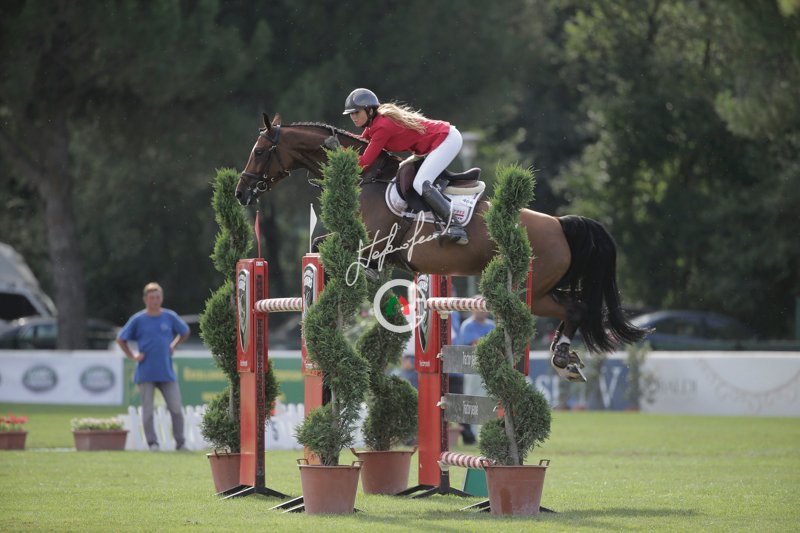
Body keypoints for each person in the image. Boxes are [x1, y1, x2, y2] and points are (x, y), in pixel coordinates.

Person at [343, 87, 469, 244]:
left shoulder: (382, 126)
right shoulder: (373, 125)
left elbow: (363, 163)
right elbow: (359, 142)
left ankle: (456, 226)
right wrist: (338, 141)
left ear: (369, 110)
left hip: (446, 139)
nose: (353, 117)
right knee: (406, 172)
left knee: (420, 183)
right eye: (351, 114)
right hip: (432, 145)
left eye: (356, 112)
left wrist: (340, 150)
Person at [117, 282, 190, 451]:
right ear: (145, 299)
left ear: (161, 298)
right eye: (152, 298)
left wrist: (174, 345)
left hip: (166, 371)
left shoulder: (169, 316)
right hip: (146, 372)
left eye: (157, 297)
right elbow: (121, 339)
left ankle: (180, 443)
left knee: (176, 408)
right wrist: (132, 356)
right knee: (148, 411)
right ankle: (153, 443)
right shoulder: (138, 319)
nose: (155, 301)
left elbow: (185, 331)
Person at [456, 304, 496, 445]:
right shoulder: (468, 325)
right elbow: (475, 344)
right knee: (471, 401)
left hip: (489, 369)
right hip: (472, 369)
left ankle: (485, 433)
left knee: (488, 401)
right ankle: (472, 434)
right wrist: (489, 343)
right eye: (479, 308)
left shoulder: (491, 325)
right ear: (473, 309)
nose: (482, 311)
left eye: (484, 308)